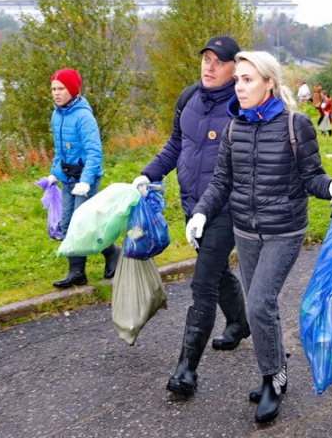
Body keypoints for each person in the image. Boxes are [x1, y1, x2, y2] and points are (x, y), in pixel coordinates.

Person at [186, 51, 332, 423]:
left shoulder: (297, 125)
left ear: (269, 83)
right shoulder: (234, 127)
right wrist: (201, 212)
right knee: (263, 309)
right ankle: (276, 369)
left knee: (259, 303)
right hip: (245, 230)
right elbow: (222, 183)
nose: (239, 87)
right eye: (238, 79)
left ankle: (272, 380)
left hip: (284, 231)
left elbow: (312, 178)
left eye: (248, 80)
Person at [131, 36, 251, 397]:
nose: (209, 66)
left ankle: (186, 370)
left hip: (225, 208)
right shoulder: (189, 99)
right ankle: (239, 323)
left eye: (218, 61)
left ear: (235, 69)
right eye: (206, 59)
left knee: (202, 285)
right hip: (191, 203)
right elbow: (175, 145)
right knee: (215, 271)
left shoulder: (242, 105)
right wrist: (148, 173)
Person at [44, 68, 120, 289]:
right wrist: (54, 175)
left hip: (85, 180)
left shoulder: (84, 117)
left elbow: (94, 153)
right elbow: (60, 152)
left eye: (61, 89)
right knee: (68, 225)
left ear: (73, 90)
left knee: (85, 224)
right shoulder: (57, 114)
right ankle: (77, 273)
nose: (56, 93)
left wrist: (86, 181)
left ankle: (113, 252)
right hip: (68, 178)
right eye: (53, 89)